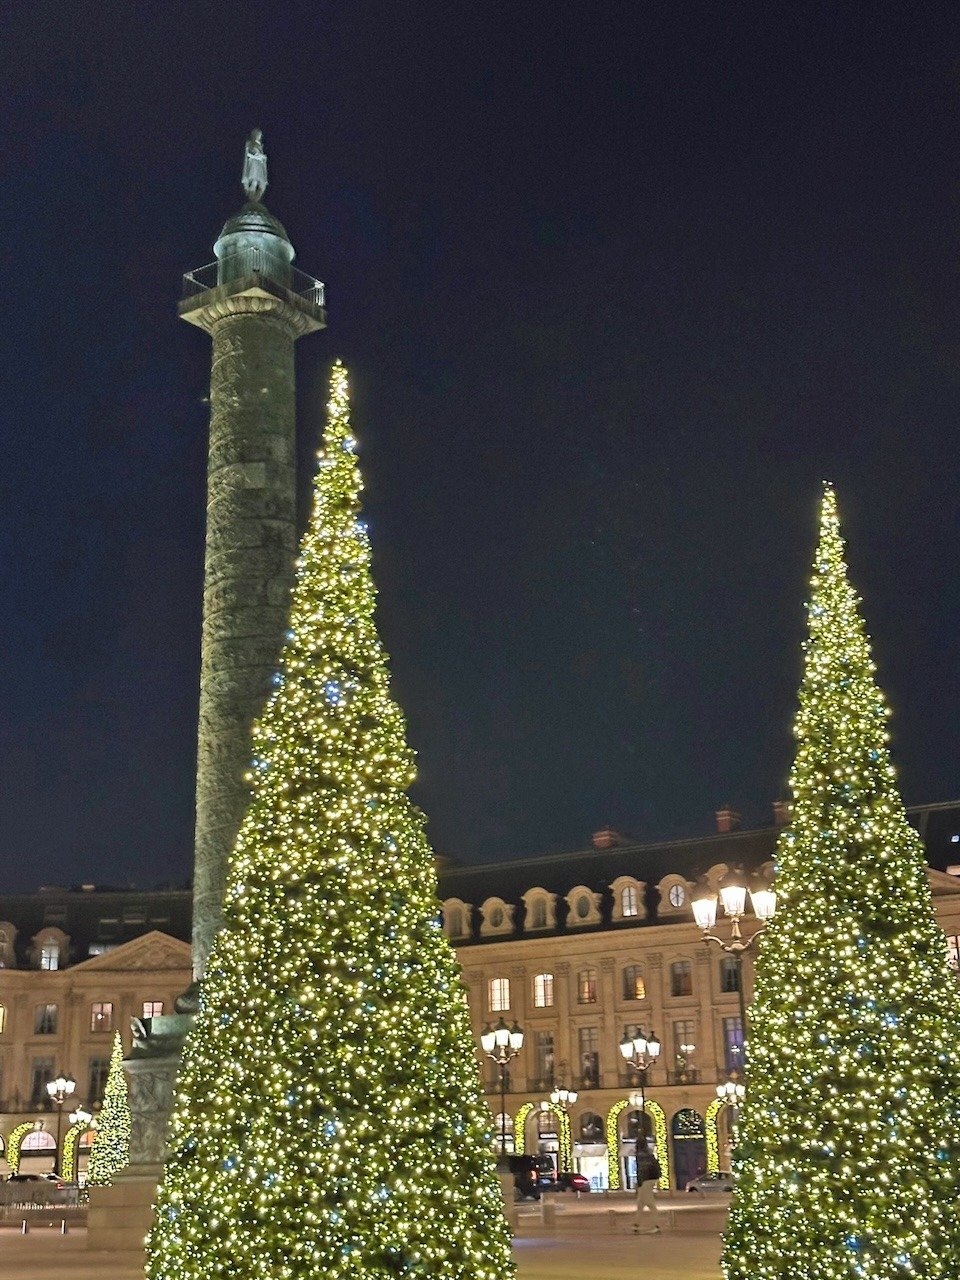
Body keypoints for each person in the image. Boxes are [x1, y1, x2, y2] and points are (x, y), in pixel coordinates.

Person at [633, 1145, 662, 1234]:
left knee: (650, 1204)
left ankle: (657, 1226)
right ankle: (636, 1225)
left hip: (646, 1181)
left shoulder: (642, 1158)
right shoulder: (650, 1157)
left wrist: (639, 1185)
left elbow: (641, 1172)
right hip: (650, 1180)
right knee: (640, 1204)